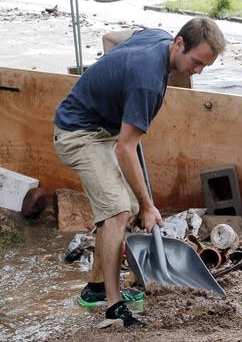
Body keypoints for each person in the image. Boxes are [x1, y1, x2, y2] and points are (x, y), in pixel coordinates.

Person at [53, 16, 227, 328]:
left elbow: (112, 38)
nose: (197, 71)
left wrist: (116, 77)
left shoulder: (157, 37)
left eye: (205, 67)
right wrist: (149, 206)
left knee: (125, 206)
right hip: (78, 134)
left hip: (100, 129)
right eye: (196, 62)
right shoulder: (147, 81)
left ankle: (94, 289)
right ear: (179, 43)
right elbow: (125, 147)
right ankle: (113, 305)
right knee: (121, 211)